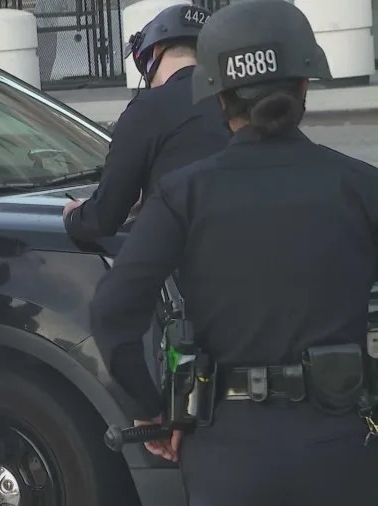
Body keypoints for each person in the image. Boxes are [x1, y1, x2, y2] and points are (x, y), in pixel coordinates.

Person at [89, 1, 378, 505]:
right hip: (340, 447)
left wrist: (155, 408)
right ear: (305, 83)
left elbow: (113, 312)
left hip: (226, 450)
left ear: (217, 96)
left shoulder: (185, 193)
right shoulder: (360, 186)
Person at [62, 3, 229, 242]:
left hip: (188, 263)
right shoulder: (235, 103)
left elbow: (104, 216)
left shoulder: (148, 107)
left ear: (156, 49)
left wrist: (75, 216)